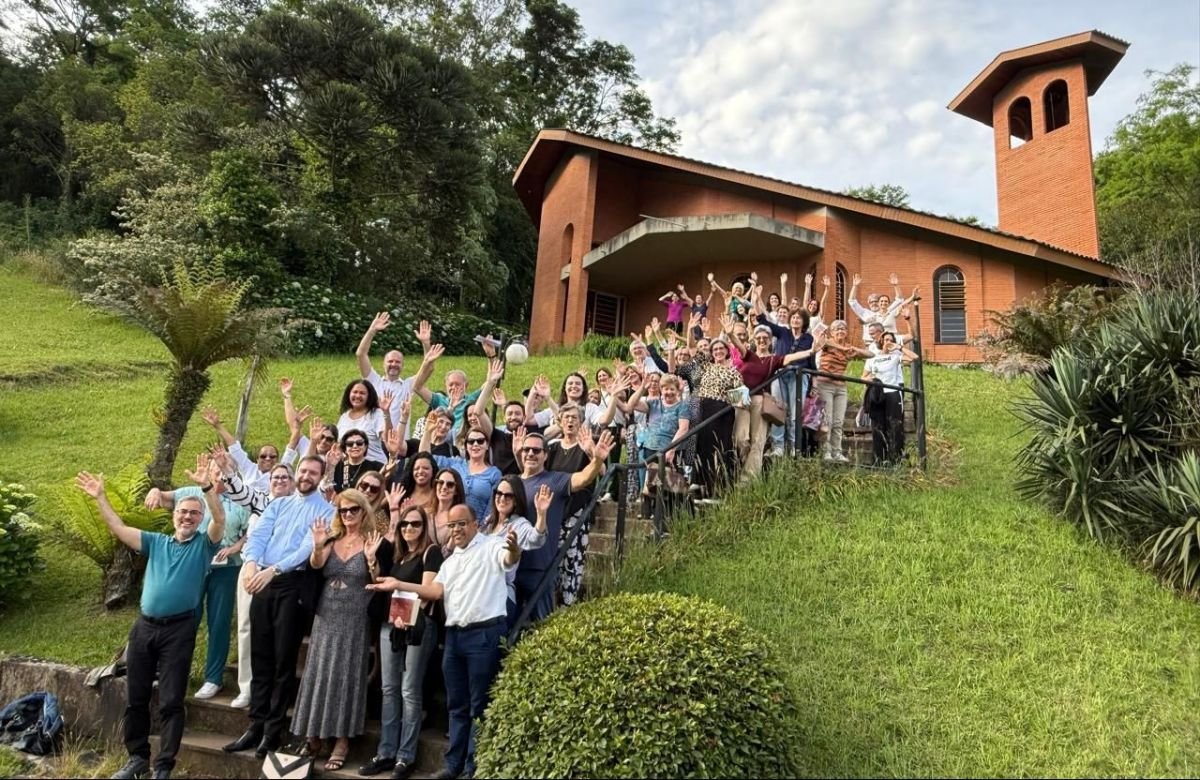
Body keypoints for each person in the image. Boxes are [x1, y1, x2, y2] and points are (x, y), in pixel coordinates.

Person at [75, 458, 225, 780]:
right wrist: (101, 497)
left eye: (193, 513)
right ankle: (137, 759)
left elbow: (220, 518)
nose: (187, 516)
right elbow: (118, 528)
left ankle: (164, 767)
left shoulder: (204, 545)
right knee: (137, 698)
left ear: (200, 519)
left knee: (171, 701)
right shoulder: (156, 542)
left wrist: (207, 488)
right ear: (173, 516)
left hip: (179, 629)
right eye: (182, 512)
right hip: (143, 628)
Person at [367, 504, 520, 780]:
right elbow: (434, 591)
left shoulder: (492, 546)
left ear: (475, 524)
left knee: (479, 705)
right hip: (455, 636)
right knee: (456, 704)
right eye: (452, 525)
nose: (457, 530)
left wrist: (514, 548)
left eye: (462, 524)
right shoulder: (450, 561)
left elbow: (508, 560)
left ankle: (473, 766)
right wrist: (397, 584)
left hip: (483, 634)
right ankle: (453, 764)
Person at [225, 456, 332, 760]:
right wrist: (250, 563)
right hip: (263, 580)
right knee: (260, 656)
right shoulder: (279, 504)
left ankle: (273, 729)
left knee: (284, 661)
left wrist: (274, 570)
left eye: (313, 472)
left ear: (321, 476)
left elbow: (306, 550)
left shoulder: (326, 511)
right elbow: (259, 535)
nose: (306, 475)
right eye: (303, 470)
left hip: (292, 584)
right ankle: (255, 724)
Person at [143, 468, 251, 702]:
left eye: (226, 472)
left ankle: (213, 678)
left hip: (226, 569)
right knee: (185, 619)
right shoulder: (192, 492)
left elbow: (249, 532)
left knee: (218, 623)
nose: (220, 475)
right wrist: (154, 491)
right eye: (216, 470)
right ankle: (173, 670)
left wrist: (235, 547)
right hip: (193, 567)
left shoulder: (240, 499)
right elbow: (165, 496)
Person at [290, 489, 378, 773]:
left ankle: (341, 741)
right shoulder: (331, 538)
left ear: (364, 512)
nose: (349, 515)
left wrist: (372, 560)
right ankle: (313, 735)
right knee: (318, 673)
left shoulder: (371, 541)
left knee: (346, 674)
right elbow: (317, 565)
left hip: (355, 616)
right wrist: (317, 546)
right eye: (343, 510)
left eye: (354, 510)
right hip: (326, 613)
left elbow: (378, 580)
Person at [359, 504, 442, 779]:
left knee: (409, 690)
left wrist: (399, 585)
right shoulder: (400, 554)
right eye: (405, 524)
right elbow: (381, 583)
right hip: (391, 625)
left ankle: (405, 757)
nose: (409, 529)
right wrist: (372, 562)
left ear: (424, 526)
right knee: (389, 689)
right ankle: (385, 752)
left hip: (418, 627)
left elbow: (432, 592)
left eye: (415, 524)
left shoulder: (431, 552)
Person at [217, 457, 296, 710]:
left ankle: (272, 687)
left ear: (293, 483)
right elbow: (240, 493)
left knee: (278, 635)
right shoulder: (262, 501)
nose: (280, 481)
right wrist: (228, 469)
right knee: (245, 627)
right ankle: (247, 687)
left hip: (282, 576)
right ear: (269, 483)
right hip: (252, 571)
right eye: (275, 478)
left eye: (285, 477)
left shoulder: (298, 506)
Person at [515, 429, 614, 622]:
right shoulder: (512, 482)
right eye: (527, 450)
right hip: (512, 564)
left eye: (536, 451)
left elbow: (583, 479)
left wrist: (597, 460)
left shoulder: (555, 479)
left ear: (545, 455)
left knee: (540, 624)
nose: (531, 454)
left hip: (540, 566)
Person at [725, 314, 821, 480]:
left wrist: (811, 351)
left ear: (770, 341)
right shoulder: (749, 355)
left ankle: (748, 479)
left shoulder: (774, 360)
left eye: (765, 338)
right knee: (741, 438)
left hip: (759, 398)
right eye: (759, 338)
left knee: (758, 440)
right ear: (754, 340)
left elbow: (791, 358)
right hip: (740, 396)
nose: (762, 340)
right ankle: (743, 464)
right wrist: (731, 334)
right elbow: (739, 346)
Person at [482, 477, 547, 626]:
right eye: (499, 493)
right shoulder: (488, 523)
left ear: (516, 500)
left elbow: (536, 539)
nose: (502, 498)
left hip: (501, 595)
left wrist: (541, 515)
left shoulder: (519, 524)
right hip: (481, 592)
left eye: (508, 495)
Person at [355, 312, 431, 437]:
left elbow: (428, 368)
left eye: (398, 362)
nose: (394, 364)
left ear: (403, 366)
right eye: (390, 361)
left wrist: (426, 343)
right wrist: (372, 330)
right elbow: (360, 354)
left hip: (399, 445)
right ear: (383, 364)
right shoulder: (373, 381)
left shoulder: (408, 385)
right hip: (372, 443)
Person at [813, 320, 870, 462]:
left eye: (843, 329)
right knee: (828, 421)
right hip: (825, 385)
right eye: (837, 329)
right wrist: (842, 349)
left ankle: (837, 452)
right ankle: (826, 452)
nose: (840, 331)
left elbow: (871, 354)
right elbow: (821, 341)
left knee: (838, 422)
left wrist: (857, 351)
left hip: (840, 387)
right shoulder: (827, 343)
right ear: (832, 332)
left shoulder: (848, 347)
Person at [863, 332, 918, 465]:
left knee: (894, 425)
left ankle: (895, 458)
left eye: (890, 340)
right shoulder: (872, 358)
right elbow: (863, 377)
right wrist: (870, 379)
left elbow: (914, 358)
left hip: (893, 392)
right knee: (877, 427)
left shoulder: (896, 356)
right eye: (885, 339)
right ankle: (879, 459)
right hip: (877, 394)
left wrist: (899, 347)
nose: (888, 341)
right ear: (880, 341)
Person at [200, 406, 279, 494]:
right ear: (257, 459)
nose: (268, 459)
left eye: (272, 456)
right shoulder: (249, 468)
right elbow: (235, 448)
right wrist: (218, 426)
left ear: (277, 459)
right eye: (263, 456)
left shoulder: (282, 474)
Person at [413, 343, 486, 438]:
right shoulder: (439, 400)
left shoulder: (471, 400)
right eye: (451, 384)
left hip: (462, 441)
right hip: (440, 440)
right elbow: (417, 387)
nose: (454, 387)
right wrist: (427, 362)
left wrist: (491, 356)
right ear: (446, 386)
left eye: (458, 384)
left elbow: (489, 384)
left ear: (466, 386)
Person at [337, 380, 393, 465]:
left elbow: (388, 438)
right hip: (349, 468)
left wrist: (386, 413)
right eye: (355, 392)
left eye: (362, 393)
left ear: (369, 396)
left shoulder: (376, 414)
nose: (358, 396)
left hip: (374, 467)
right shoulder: (344, 417)